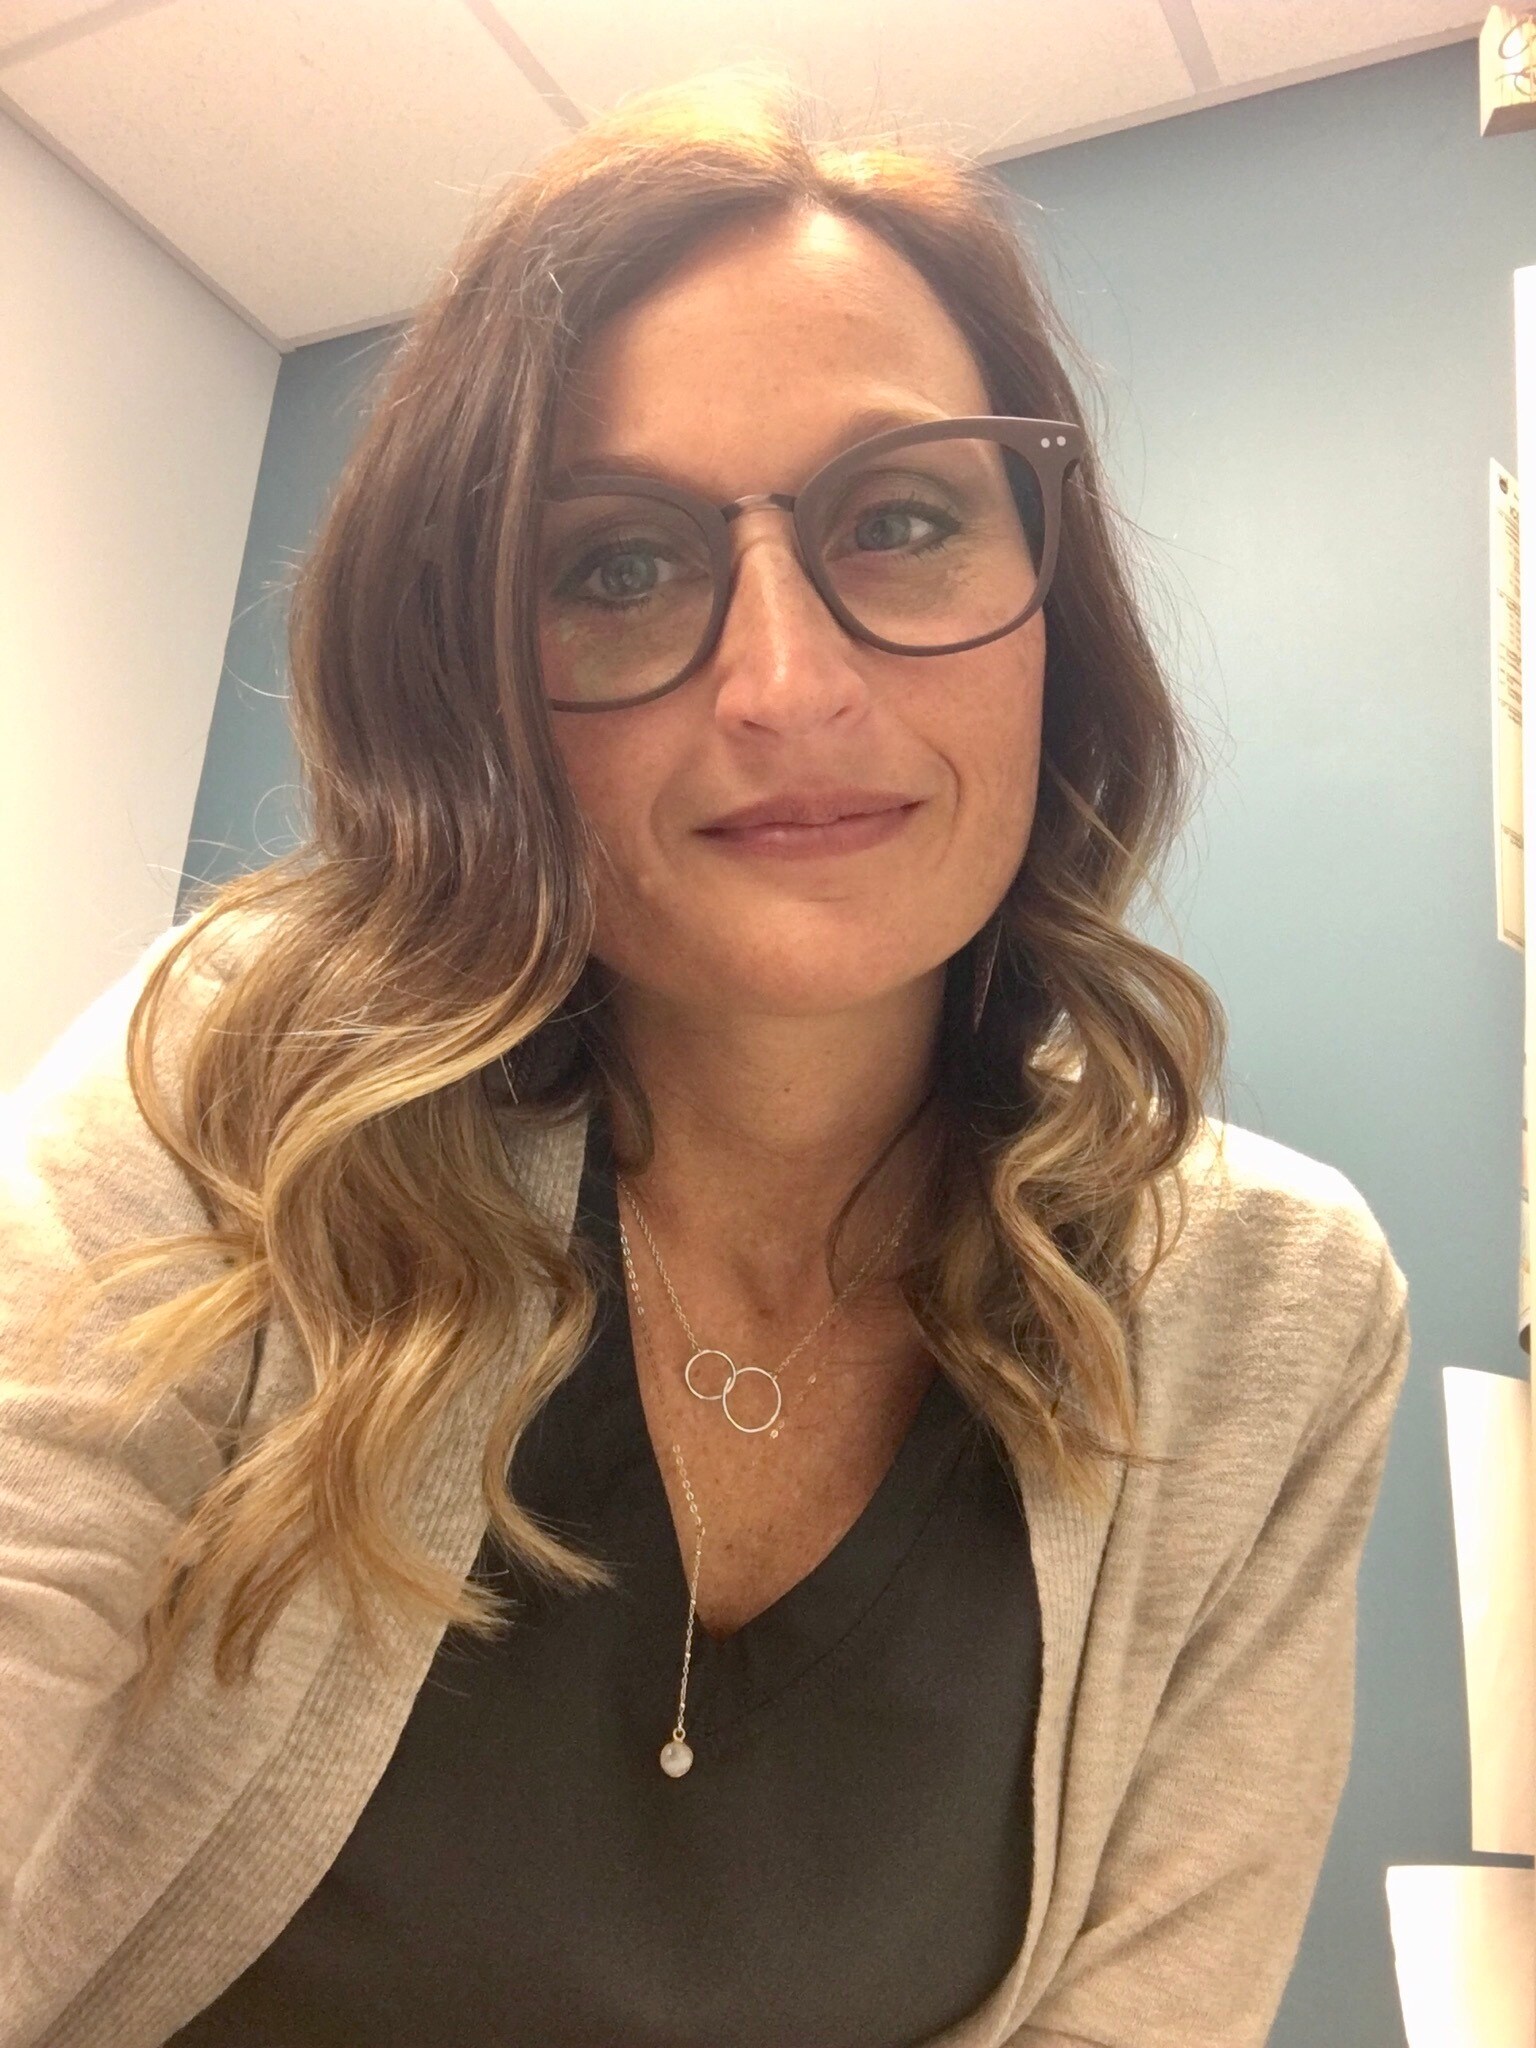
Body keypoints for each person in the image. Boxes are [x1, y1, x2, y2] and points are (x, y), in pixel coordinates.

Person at [0, 66, 1410, 2048]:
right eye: (618, 564)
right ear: (487, 688)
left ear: (1054, 607)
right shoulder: (243, 1088)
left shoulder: (1279, 1309)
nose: (784, 686)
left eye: (899, 520)